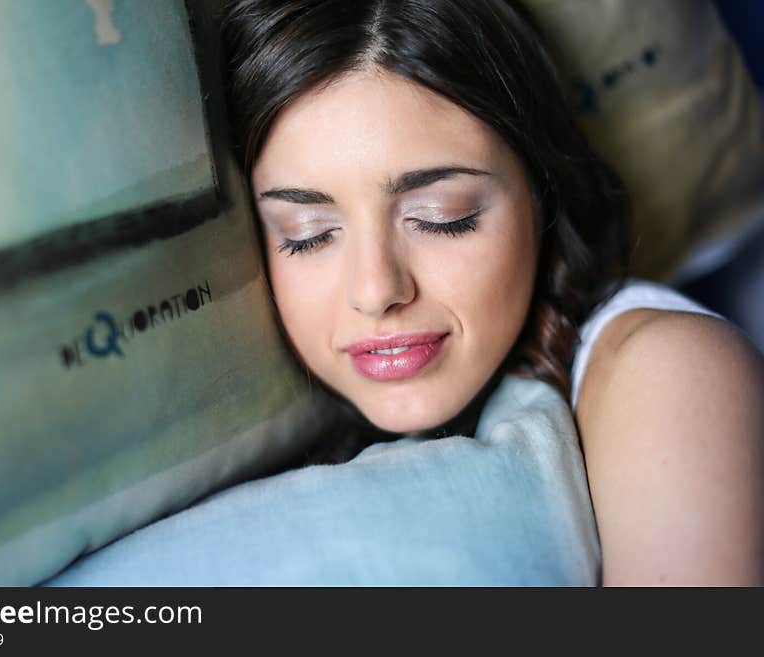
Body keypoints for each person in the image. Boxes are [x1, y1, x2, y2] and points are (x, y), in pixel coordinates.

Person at [220, 0, 764, 585]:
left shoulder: (668, 371)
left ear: (539, 191)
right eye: (309, 236)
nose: (376, 291)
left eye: (441, 217)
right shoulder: (241, 438)